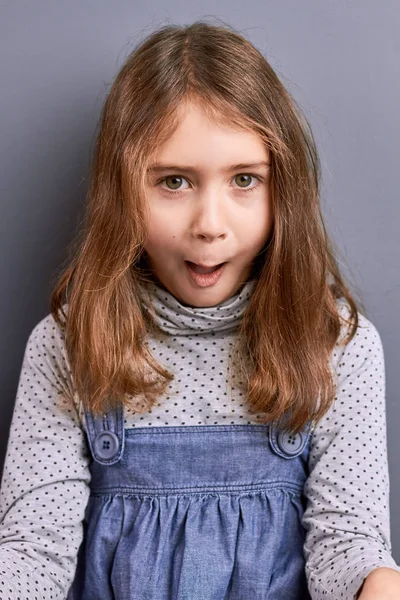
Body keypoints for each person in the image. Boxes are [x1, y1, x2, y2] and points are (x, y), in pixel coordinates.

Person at [0, 20, 399, 600]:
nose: (210, 226)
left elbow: (349, 545)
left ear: (282, 189)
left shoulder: (336, 344)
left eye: (243, 180)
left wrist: (378, 584)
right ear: (123, 190)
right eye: (174, 182)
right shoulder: (68, 344)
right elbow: (34, 554)